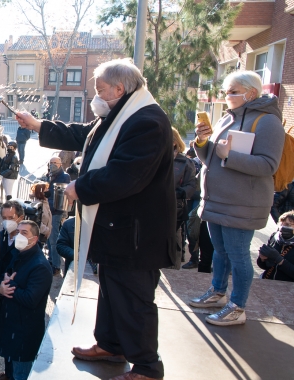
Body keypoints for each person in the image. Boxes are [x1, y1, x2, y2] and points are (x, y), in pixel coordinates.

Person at [15, 58, 174, 380]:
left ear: (120, 88)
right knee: (112, 290)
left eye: (101, 90)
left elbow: (126, 175)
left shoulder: (147, 122)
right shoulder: (119, 115)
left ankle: (146, 367)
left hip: (136, 233)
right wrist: (37, 125)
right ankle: (111, 344)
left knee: (133, 297)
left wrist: (77, 187)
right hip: (118, 229)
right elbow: (83, 135)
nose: (96, 97)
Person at [189, 70, 285, 327]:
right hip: (217, 200)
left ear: (250, 93)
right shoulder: (226, 119)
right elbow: (212, 158)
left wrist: (229, 156)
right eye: (226, 91)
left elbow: (268, 165)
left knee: (239, 254)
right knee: (220, 251)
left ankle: (237, 306)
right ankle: (218, 292)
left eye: (232, 91)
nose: (226, 96)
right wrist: (202, 141)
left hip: (242, 203)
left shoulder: (267, 122)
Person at [0, 220, 52, 380]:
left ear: (35, 238)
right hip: (10, 325)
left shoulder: (40, 266)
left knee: (21, 374)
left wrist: (9, 285)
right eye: (17, 232)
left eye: (24, 233)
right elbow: (2, 278)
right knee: (11, 369)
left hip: (24, 331)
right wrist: (0, 288)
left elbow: (31, 299)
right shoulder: (18, 255)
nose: (19, 235)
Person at [172, 127, 196, 268]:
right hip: (153, 207)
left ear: (174, 142)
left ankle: (173, 269)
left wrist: (178, 193)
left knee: (174, 240)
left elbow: (191, 186)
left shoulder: (185, 163)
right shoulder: (153, 157)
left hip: (175, 209)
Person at [43, 156, 70, 276]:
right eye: (51, 162)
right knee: (48, 237)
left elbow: (63, 192)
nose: (53, 164)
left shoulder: (64, 176)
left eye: (55, 163)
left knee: (53, 239)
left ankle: (56, 265)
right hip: (49, 209)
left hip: (57, 211)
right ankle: (51, 260)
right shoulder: (49, 175)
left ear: (60, 164)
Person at [257, 211, 294, 282]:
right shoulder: (275, 236)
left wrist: (280, 260)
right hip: (267, 281)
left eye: (289, 225)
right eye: (282, 223)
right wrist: (262, 259)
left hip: (287, 288)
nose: (284, 227)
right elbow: (265, 267)